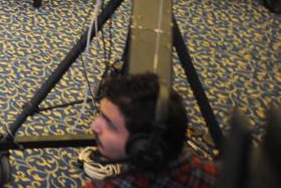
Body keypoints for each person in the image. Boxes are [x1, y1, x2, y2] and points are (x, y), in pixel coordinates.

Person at [85, 73, 216, 188]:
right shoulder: (209, 173)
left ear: (142, 145)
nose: (94, 126)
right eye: (100, 114)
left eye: (110, 125)